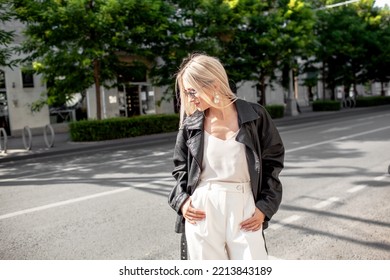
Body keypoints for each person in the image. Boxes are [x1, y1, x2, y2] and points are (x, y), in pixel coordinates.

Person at [168, 53, 284, 260]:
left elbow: (273, 163)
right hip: (202, 207)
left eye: (192, 92)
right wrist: (183, 202)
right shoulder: (191, 124)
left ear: (213, 84)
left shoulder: (255, 116)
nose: (190, 99)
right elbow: (180, 170)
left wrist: (264, 207)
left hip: (244, 205)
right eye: (186, 94)